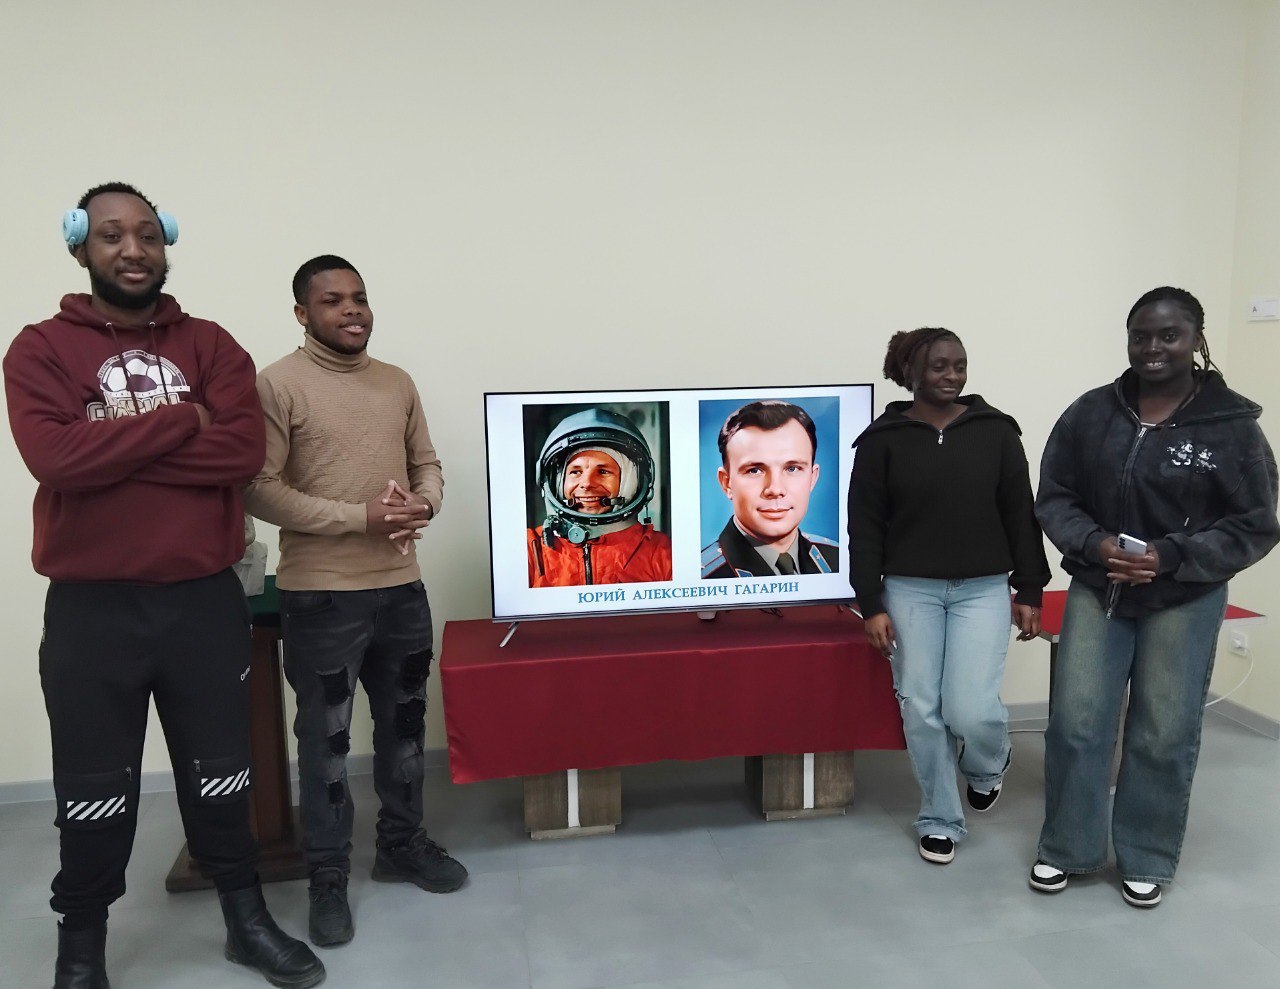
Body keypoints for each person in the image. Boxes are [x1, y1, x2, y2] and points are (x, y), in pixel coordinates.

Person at [3, 183, 323, 988]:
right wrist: (183, 420)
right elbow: (55, 459)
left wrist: (106, 439)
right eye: (112, 234)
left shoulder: (211, 345)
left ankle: (246, 920)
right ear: (80, 244)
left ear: (166, 241)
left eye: (147, 233)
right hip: (93, 609)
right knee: (93, 789)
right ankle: (82, 948)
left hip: (201, 600)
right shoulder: (40, 349)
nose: (133, 249)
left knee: (223, 775)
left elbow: (240, 455)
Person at [242, 255, 467, 949]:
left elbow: (426, 463)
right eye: (333, 300)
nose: (352, 310)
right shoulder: (277, 384)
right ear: (302, 313)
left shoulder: (396, 382)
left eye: (360, 298)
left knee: (405, 728)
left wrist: (424, 502)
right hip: (322, 597)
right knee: (328, 743)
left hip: (401, 588)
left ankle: (401, 845)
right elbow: (258, 488)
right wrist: (358, 518)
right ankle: (328, 877)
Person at [1030, 287, 1278, 907]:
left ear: (1196, 340)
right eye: (1140, 335)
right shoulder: (1092, 413)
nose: (1153, 348)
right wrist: (1093, 544)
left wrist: (1170, 557)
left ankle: (1145, 855)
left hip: (1184, 597)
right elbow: (1055, 494)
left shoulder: (1232, 428)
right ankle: (1068, 848)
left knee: (1163, 730)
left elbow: (1254, 524)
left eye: (1169, 335)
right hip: (1099, 586)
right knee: (1077, 721)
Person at [848, 327, 1048, 865]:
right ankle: (939, 817)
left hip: (982, 589)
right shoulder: (882, 441)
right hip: (908, 589)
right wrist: (871, 603)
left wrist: (1030, 587)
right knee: (921, 706)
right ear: (910, 372)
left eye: (959, 365)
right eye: (939, 366)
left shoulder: (997, 432)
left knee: (971, 708)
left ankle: (987, 763)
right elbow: (864, 528)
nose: (952, 375)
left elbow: (1020, 513)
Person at [526, 407, 673, 586]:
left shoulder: (662, 553)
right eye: (575, 472)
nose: (587, 483)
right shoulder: (530, 548)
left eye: (603, 472)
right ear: (557, 481)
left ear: (630, 482)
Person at [702, 400, 839, 579]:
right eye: (754, 470)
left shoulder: (839, 559)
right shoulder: (705, 576)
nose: (775, 489)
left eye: (792, 468)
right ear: (727, 483)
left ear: (812, 478)